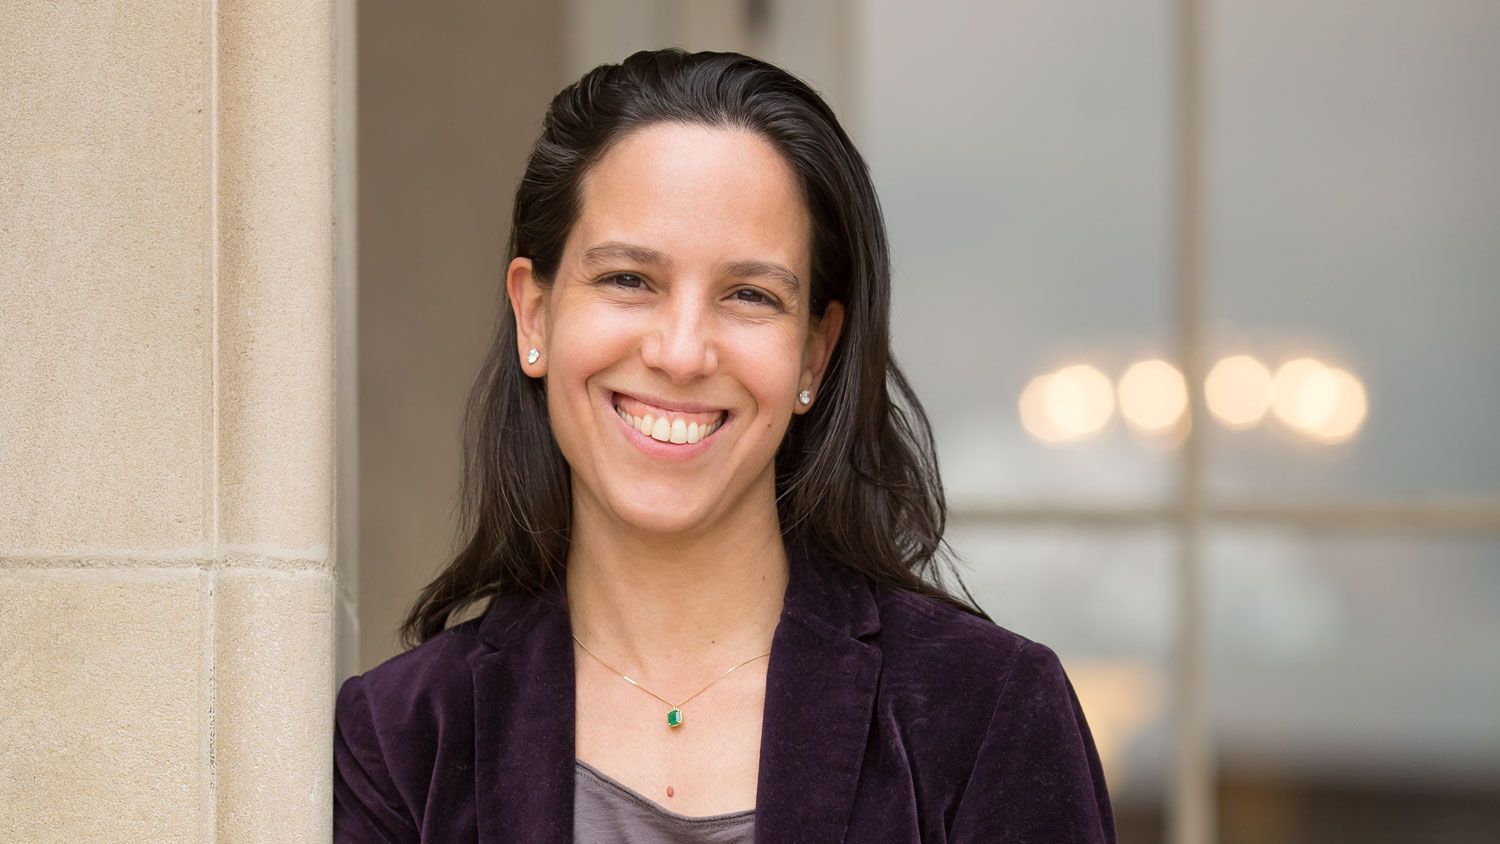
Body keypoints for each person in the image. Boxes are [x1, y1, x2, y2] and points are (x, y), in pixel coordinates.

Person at [334, 48, 1116, 843]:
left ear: (814, 354)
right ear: (534, 316)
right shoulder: (399, 743)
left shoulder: (986, 714)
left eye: (749, 294)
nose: (681, 353)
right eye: (628, 280)